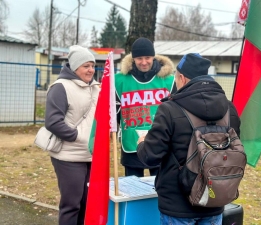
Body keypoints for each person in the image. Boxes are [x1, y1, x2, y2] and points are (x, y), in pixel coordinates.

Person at [136, 53, 241, 225]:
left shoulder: (169, 109)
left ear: (182, 78)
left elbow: (150, 156)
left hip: (177, 205)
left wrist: (142, 144)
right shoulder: (229, 108)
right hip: (215, 197)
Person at [45, 45, 100, 225]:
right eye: (86, 66)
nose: (91, 70)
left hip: (91, 155)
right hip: (68, 156)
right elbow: (53, 122)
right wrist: (79, 136)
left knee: (87, 203)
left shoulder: (96, 87)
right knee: (71, 205)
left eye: (92, 65)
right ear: (75, 67)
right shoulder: (60, 87)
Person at [115, 37, 176, 177]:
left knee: (160, 190)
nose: (143, 62)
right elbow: (113, 111)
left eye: (147, 57)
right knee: (131, 190)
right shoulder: (119, 81)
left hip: (159, 143)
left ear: (153, 57)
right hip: (131, 144)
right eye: (139, 58)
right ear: (133, 59)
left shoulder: (168, 80)